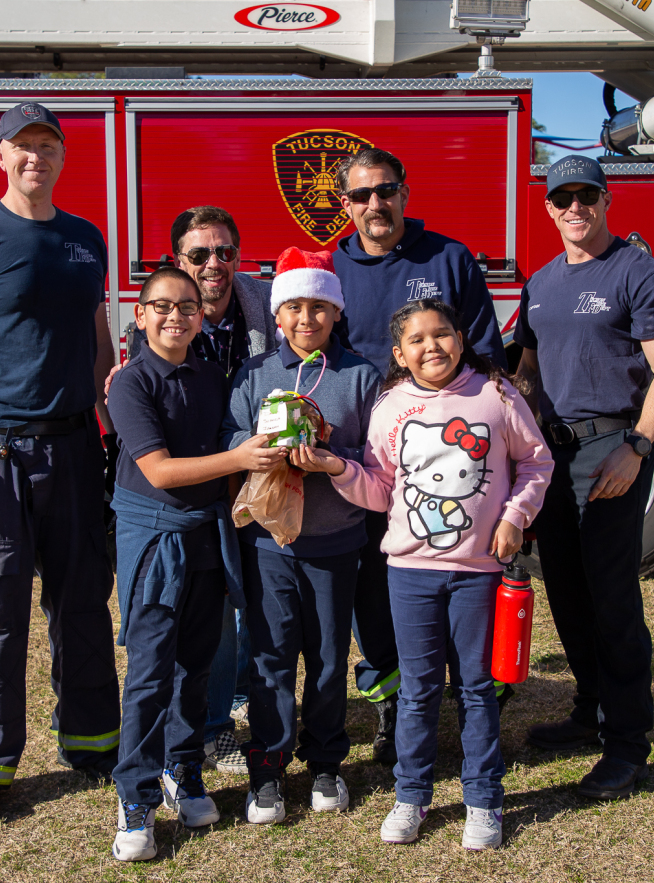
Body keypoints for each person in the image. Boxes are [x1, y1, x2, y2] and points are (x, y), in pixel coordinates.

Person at [0, 102, 121, 825]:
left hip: (73, 447)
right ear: (0, 155)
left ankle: (94, 737)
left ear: (63, 157)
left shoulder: (82, 238)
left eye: (49, 145)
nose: (36, 157)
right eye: (23, 146)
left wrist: (113, 433)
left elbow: (100, 341)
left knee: (82, 600)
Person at [303, 299, 553, 850]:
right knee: (416, 691)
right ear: (399, 353)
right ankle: (410, 795)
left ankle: (483, 799)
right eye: (417, 340)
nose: (432, 346)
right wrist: (335, 468)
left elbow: (537, 462)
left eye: (442, 335)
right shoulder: (391, 405)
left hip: (479, 572)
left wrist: (514, 517)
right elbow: (379, 485)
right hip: (410, 572)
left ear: (461, 340)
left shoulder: (496, 394)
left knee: (476, 688)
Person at [514, 155, 654, 800]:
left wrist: (636, 447)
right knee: (563, 585)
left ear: (606, 200)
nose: (575, 208)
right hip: (552, 454)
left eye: (586, 196)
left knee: (612, 598)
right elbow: (527, 369)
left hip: (610, 447)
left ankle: (626, 744)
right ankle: (589, 711)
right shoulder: (541, 282)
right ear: (550, 208)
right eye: (563, 199)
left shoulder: (641, 272)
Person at [328, 148, 511, 762]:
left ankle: (474, 699)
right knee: (377, 591)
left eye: (386, 191)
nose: (375, 205)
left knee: (462, 576)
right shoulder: (332, 268)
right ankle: (392, 701)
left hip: (449, 459)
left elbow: (485, 353)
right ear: (344, 204)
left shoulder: (449, 258)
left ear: (405, 193)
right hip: (372, 456)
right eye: (361, 195)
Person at [105, 266, 288, 861]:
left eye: (187, 307)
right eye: (161, 306)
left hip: (209, 539)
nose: (175, 316)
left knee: (196, 666)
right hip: (156, 541)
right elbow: (158, 471)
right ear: (140, 315)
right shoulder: (129, 383)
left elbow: (245, 444)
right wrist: (236, 456)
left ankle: (183, 770)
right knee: (150, 673)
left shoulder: (215, 376)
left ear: (200, 315)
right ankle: (134, 799)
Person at [220, 248, 382, 824]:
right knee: (269, 656)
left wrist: (329, 452)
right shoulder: (255, 373)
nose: (306, 318)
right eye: (293, 307)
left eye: (318, 306)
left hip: (336, 541)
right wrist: (260, 445)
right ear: (278, 315)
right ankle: (267, 769)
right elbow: (231, 435)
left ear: (335, 313)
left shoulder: (360, 375)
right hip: (269, 542)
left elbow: (378, 455)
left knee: (330, 657)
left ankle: (326, 763)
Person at [122, 206, 275, 776]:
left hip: (258, 476)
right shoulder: (160, 326)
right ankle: (209, 732)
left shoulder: (263, 302)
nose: (215, 265)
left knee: (249, 601)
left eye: (226, 252)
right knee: (201, 621)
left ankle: (236, 701)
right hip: (199, 489)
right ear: (176, 262)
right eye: (199, 255)